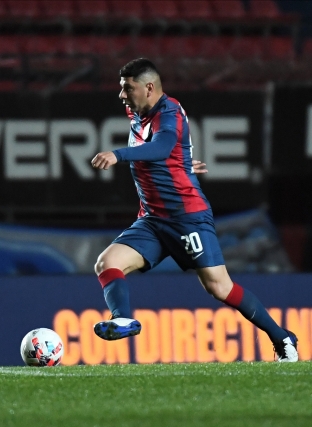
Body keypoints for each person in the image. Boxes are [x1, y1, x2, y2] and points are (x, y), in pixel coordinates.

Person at [89, 58, 298, 362]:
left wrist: (117, 154)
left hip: (187, 217)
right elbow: (170, 151)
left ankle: (282, 339)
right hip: (152, 219)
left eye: (127, 88)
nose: (122, 95)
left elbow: (161, 148)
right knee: (107, 262)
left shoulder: (169, 111)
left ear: (149, 88)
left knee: (219, 287)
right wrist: (183, 164)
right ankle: (122, 319)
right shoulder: (137, 112)